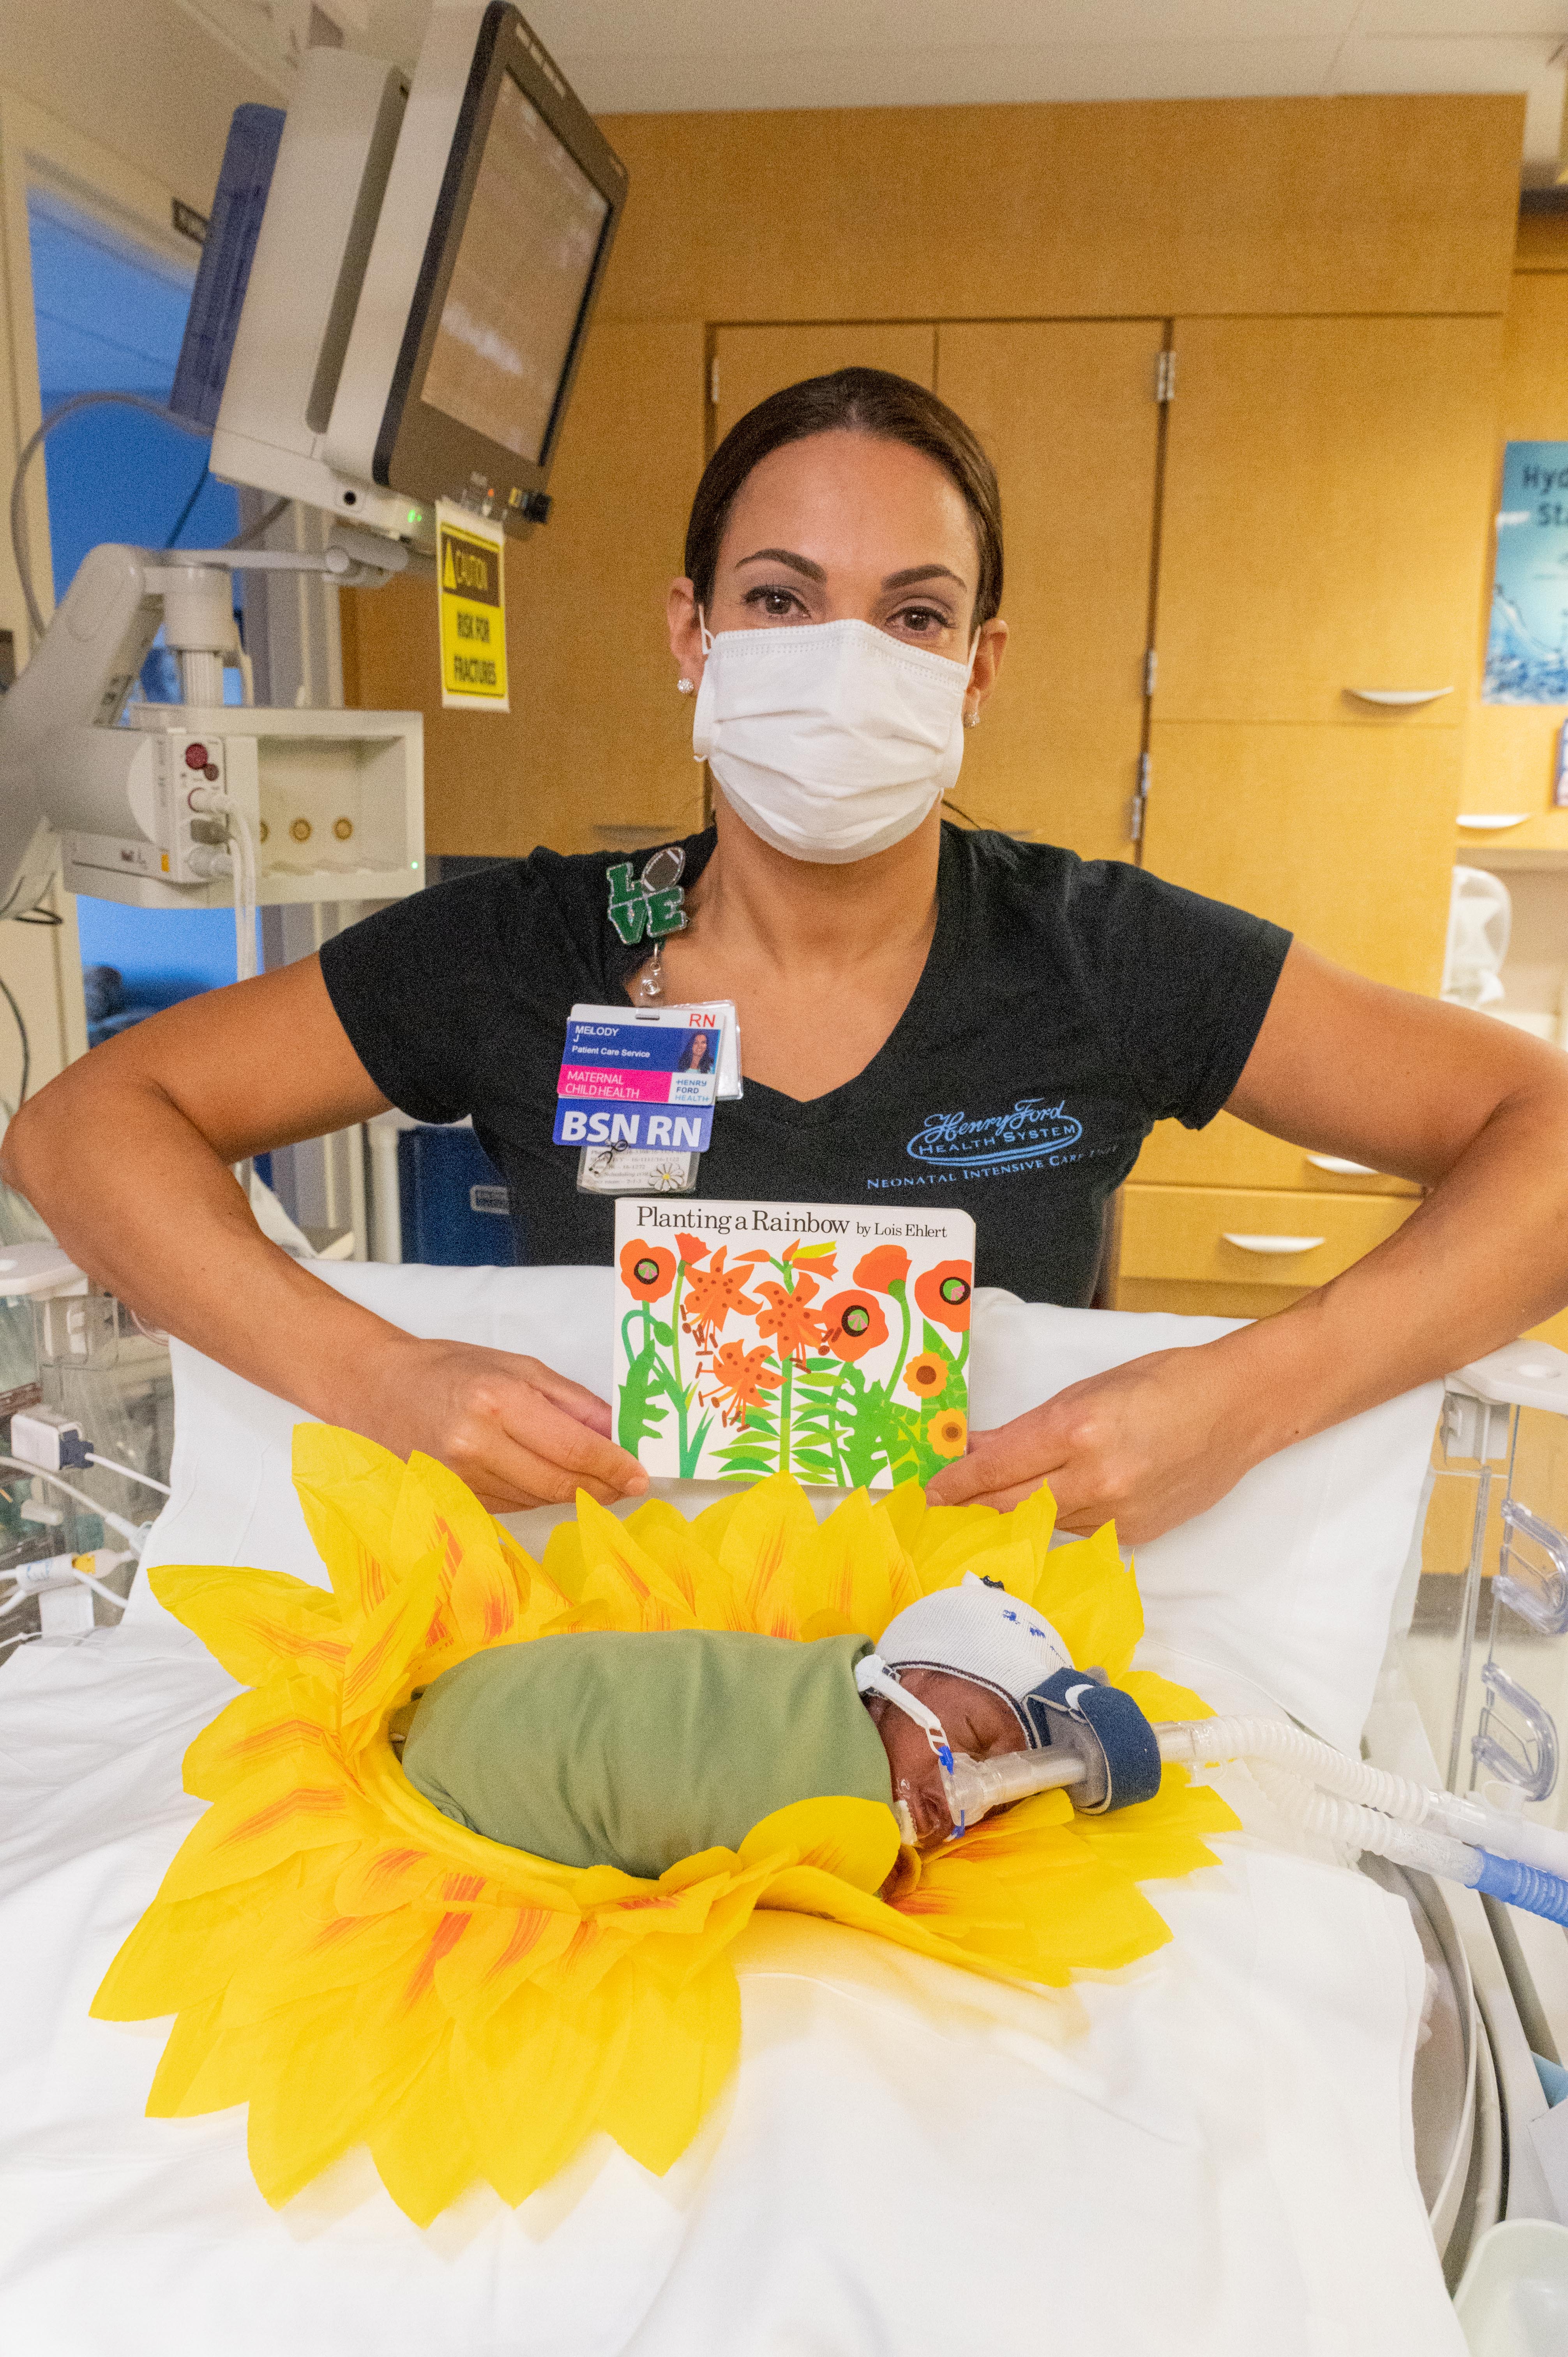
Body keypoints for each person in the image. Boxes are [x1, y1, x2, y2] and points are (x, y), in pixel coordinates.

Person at [9, 369, 1568, 1542]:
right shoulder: (535, 949)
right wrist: (375, 1375)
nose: (841, 663)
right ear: (692, 634)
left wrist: (1241, 1393)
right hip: (618, 1656)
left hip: (972, 1681)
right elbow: (80, 1131)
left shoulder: (1099, 953)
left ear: (979, 668)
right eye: (779, 599)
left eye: (913, 615)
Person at [399, 1575, 1059, 1871]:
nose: (970, 1789)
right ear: (891, 1686)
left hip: (464, 1715)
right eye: (973, 1739)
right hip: (468, 1755)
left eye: (1001, 1794)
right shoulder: (794, 1709)